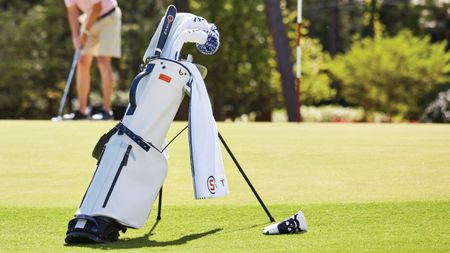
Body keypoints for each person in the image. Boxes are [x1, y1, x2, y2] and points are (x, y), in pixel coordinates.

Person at [64, 0, 121, 120]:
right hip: (90, 19)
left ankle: (107, 110)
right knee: (82, 61)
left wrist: (84, 32)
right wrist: (75, 37)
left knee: (103, 60)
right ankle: (82, 110)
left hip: (108, 17)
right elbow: (72, 11)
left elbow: (97, 7)